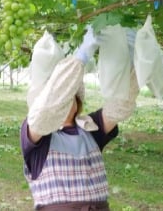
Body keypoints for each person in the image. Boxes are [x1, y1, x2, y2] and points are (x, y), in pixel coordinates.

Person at [20, 27, 139, 210]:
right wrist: (81, 56)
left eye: (71, 97)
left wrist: (132, 63)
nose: (65, 101)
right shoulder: (38, 134)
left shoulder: (91, 127)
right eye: (62, 97)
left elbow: (120, 105)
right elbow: (48, 109)